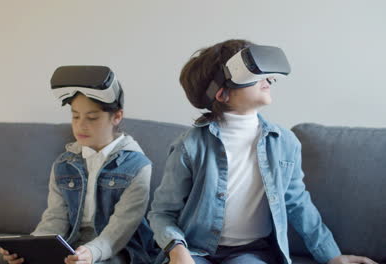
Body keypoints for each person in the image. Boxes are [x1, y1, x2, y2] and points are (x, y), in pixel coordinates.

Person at [147, 39, 377, 264]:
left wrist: (332, 255)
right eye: (251, 72)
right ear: (221, 92)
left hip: (249, 253)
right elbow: (162, 212)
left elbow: (298, 204)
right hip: (195, 250)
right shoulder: (190, 146)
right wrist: (177, 251)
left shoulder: (285, 143)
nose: (266, 78)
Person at [0, 66, 157, 264]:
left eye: (92, 118)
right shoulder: (64, 164)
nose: (81, 125)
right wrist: (30, 248)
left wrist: (91, 253)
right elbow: (55, 219)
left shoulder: (137, 167)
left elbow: (120, 230)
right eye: (75, 116)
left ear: (116, 116)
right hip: (73, 246)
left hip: (120, 249)